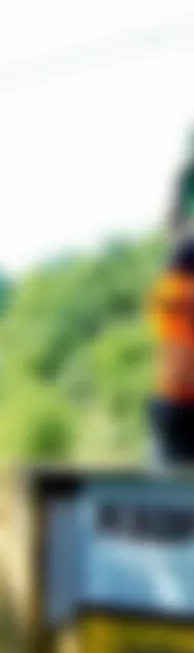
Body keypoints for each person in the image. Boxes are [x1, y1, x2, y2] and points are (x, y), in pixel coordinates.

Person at [151, 146, 194, 469]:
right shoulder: (177, 284)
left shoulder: (173, 285)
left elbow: (174, 223)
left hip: (172, 402)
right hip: (176, 404)